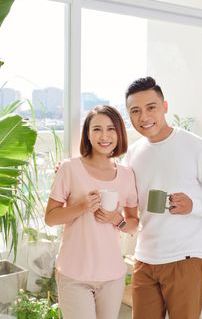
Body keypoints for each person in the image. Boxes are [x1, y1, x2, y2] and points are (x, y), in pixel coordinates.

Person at [124, 76, 202, 319]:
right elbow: (118, 188)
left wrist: (194, 205)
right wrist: (71, 170)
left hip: (185, 257)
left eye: (151, 107)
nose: (144, 117)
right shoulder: (133, 153)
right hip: (144, 259)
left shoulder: (195, 147)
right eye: (135, 111)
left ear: (164, 107)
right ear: (129, 115)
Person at [45, 105, 138, 319]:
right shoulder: (69, 168)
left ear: (119, 133)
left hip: (112, 275)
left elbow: (134, 223)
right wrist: (82, 207)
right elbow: (50, 218)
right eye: (96, 129)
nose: (104, 136)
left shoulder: (126, 175)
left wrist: (117, 220)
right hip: (74, 273)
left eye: (111, 129)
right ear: (87, 133)